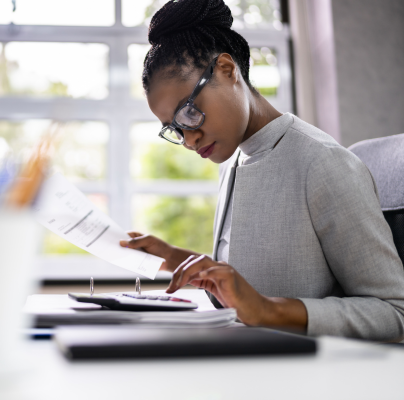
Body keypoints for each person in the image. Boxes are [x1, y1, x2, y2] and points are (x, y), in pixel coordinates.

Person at [119, 0, 404, 342]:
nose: (189, 140)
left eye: (189, 113)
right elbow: (249, 285)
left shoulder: (323, 164)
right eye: (175, 129)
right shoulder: (233, 161)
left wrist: (271, 310)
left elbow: (394, 311)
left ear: (226, 69)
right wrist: (175, 258)